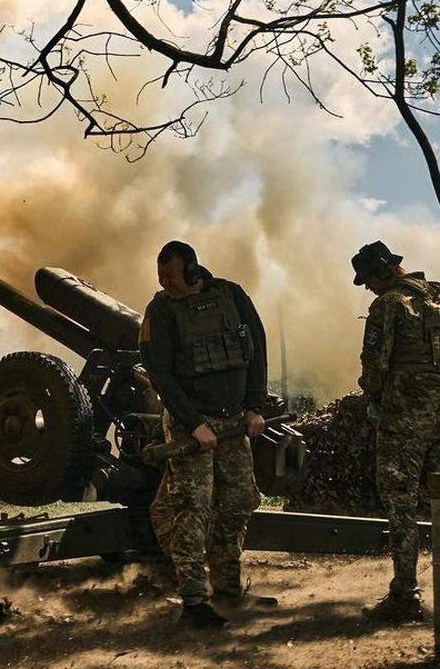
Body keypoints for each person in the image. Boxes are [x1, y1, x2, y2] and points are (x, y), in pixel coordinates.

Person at [140, 240, 273, 629]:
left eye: (171, 276)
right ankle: (194, 600)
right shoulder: (161, 311)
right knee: (192, 509)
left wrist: (255, 407)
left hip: (233, 422)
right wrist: (194, 423)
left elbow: (257, 350)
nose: (165, 283)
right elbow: (160, 373)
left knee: (238, 503)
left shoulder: (231, 296)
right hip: (191, 425)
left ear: (193, 271)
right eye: (160, 276)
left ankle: (228, 590)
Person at [352, 241, 440, 622]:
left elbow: (375, 365)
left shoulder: (388, 305)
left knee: (401, 506)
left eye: (368, 279)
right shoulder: (439, 297)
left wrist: (372, 396)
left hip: (402, 422)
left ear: (383, 270)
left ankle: (404, 595)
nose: (368, 288)